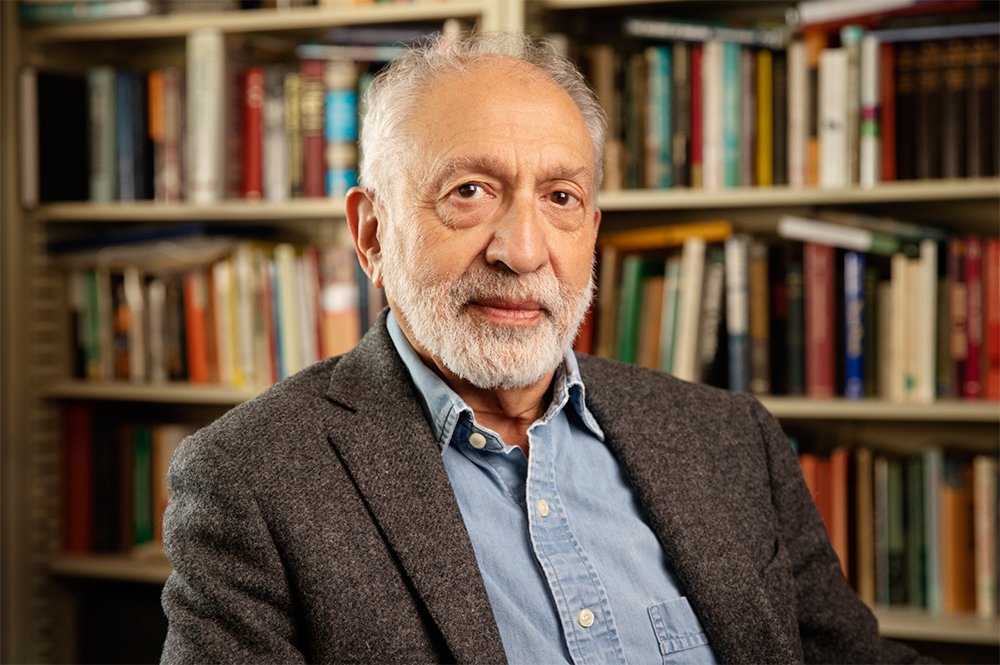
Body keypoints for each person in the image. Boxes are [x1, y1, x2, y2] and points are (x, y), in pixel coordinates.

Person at [160, 32, 928, 664]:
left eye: (561, 198)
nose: (523, 251)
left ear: (592, 228)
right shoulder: (251, 479)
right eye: (469, 192)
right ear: (371, 235)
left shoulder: (729, 438)